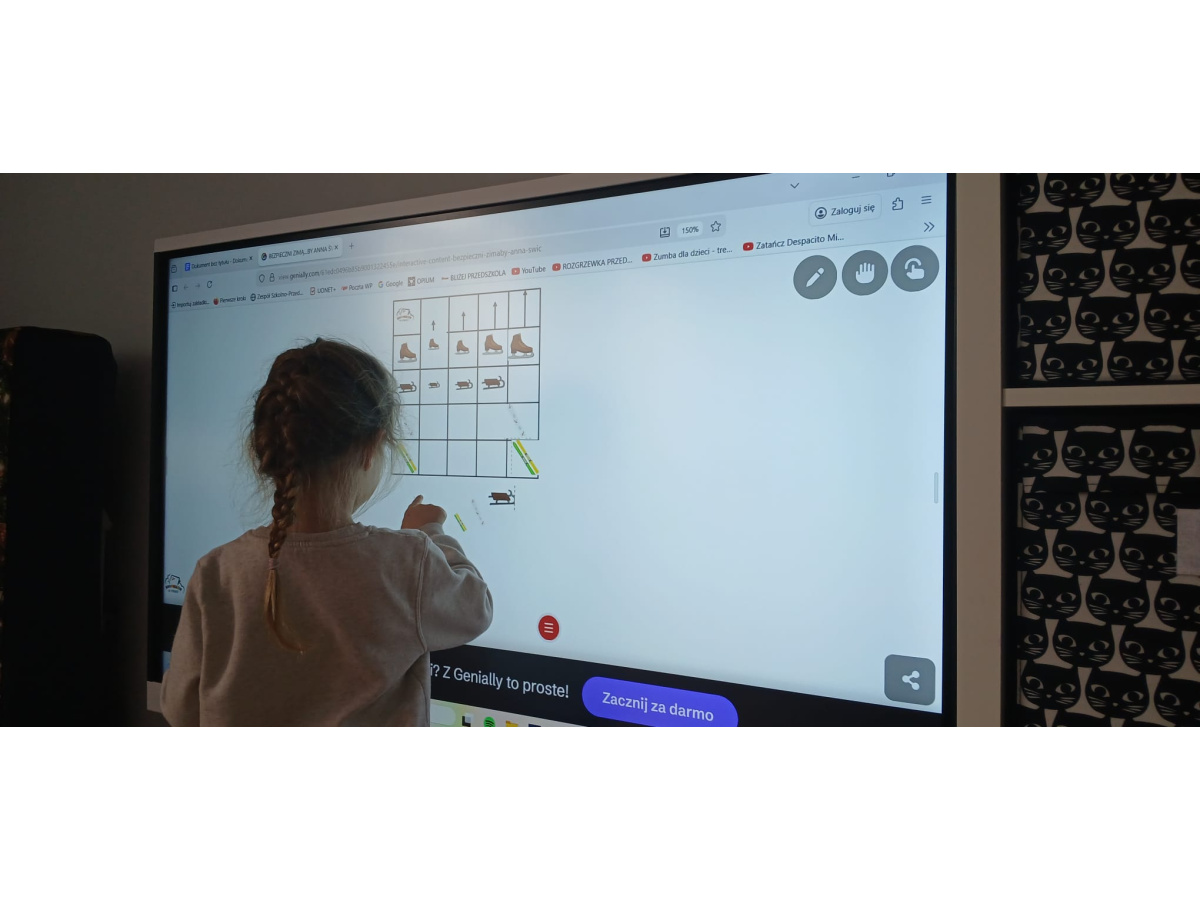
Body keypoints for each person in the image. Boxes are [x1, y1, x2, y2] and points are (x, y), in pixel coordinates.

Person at [161, 338, 493, 725]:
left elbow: (181, 709)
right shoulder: (407, 562)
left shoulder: (216, 571)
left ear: (267, 447)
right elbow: (476, 608)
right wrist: (430, 533)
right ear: (371, 447)